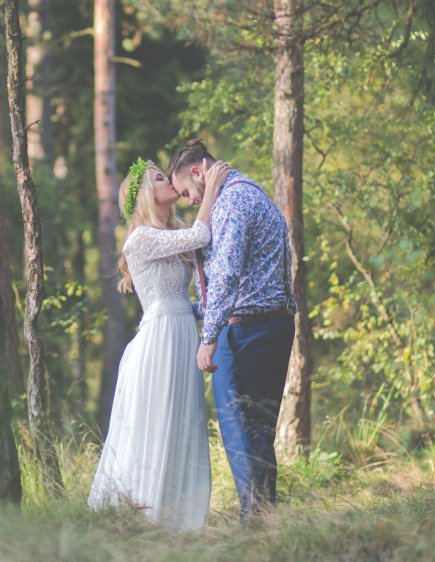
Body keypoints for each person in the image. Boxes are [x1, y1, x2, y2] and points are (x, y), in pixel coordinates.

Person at [88, 157, 232, 532]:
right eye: (159, 178)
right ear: (146, 195)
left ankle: (179, 522)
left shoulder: (171, 231)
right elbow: (201, 236)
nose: (169, 181)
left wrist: (214, 309)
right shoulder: (141, 237)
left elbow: (194, 269)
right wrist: (212, 186)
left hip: (183, 329)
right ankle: (141, 518)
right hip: (160, 339)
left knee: (183, 423)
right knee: (157, 423)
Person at [167, 139, 296, 525]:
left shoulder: (232, 203)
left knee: (239, 430)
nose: (190, 201)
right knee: (258, 430)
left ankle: (252, 521)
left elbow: (225, 276)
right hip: (272, 324)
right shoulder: (250, 191)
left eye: (188, 192)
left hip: (243, 334)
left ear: (197, 172)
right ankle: (265, 518)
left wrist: (208, 338)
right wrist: (182, 309)